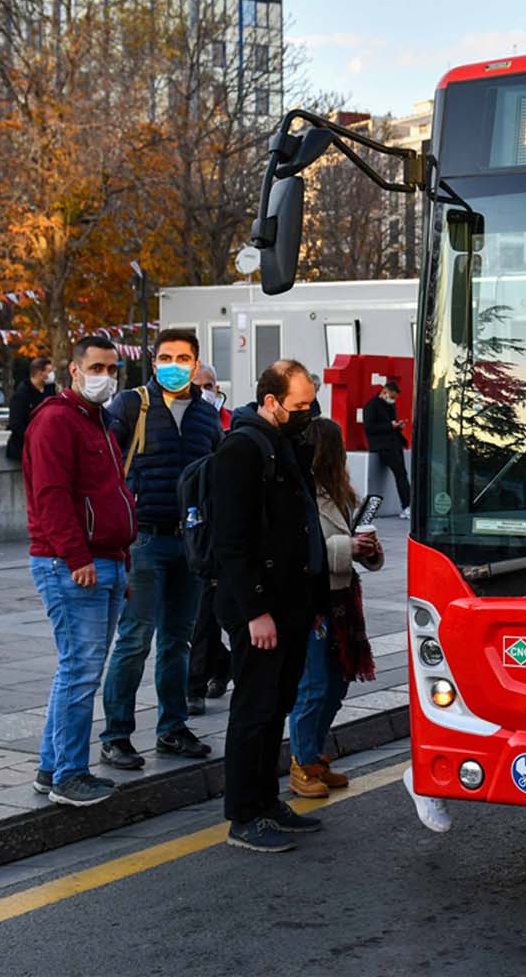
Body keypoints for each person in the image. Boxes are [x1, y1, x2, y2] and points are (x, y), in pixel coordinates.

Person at [210, 359, 327, 853]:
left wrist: (315, 600)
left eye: (311, 404)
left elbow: (303, 526)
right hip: (259, 608)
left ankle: (266, 801)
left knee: (278, 703)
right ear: (271, 401)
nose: (308, 413)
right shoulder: (241, 449)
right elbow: (231, 541)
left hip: (292, 602)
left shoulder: (286, 444)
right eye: (300, 405)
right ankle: (243, 814)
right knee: (254, 708)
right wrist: (255, 610)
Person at [98, 329, 221, 771]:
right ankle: (116, 736)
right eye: (166, 357)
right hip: (144, 540)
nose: (174, 365)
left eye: (183, 358)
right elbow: (103, 465)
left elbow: (215, 478)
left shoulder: (207, 415)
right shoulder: (131, 405)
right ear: (153, 363)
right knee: (135, 640)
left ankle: (173, 728)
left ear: (195, 363)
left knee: (177, 641)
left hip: (190, 542)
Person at [23, 336, 135, 809]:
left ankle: (53, 767)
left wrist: (120, 560)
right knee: (80, 671)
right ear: (74, 370)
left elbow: (111, 492)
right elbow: (50, 497)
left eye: (112, 369)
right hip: (73, 563)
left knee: (78, 669)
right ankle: (69, 774)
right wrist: (77, 558)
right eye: (96, 367)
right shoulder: (56, 420)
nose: (105, 377)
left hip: (105, 559)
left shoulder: (98, 421)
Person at [288, 417, 381, 797]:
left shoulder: (341, 492)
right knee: (313, 685)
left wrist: (368, 550)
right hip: (313, 600)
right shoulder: (299, 493)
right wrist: (348, 547)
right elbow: (297, 551)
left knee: (338, 683)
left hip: (342, 598)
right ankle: (301, 762)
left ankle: (314, 754)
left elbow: (352, 548)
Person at [186, 364, 233, 715]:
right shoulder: (183, 423)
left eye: (210, 385)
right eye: (199, 385)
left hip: (213, 532)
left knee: (204, 615)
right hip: (184, 525)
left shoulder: (229, 424)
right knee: (190, 619)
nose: (206, 391)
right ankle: (222, 664)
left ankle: (195, 686)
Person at [362, 378, 412, 519]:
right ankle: (406, 505)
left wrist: (398, 426)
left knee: (402, 474)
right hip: (382, 446)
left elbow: (390, 424)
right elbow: (369, 427)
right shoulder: (371, 406)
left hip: (394, 444)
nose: (393, 400)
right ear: (384, 392)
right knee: (401, 474)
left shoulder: (390, 406)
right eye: (392, 397)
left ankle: (408, 505)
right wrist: (390, 426)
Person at [5, 357, 57, 462]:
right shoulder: (21, 395)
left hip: (46, 446)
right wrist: (36, 437)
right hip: (25, 448)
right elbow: (16, 424)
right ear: (40, 373)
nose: (52, 375)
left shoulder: (50, 390)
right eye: (49, 371)